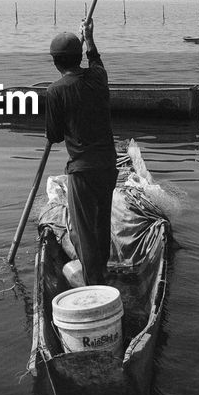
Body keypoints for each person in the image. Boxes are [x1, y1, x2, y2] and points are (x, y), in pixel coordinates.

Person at [45, 17, 117, 287]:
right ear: (78, 57)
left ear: (55, 62)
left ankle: (94, 283)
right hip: (108, 165)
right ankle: (102, 270)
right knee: (101, 223)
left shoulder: (55, 91)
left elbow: (53, 135)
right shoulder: (98, 77)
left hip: (83, 170)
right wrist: (89, 36)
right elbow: (96, 60)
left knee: (84, 231)